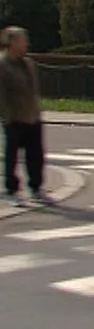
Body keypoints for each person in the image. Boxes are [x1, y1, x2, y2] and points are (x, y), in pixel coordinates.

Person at [0, 26, 51, 207]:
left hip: (32, 115)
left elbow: (33, 89)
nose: (26, 43)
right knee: (12, 156)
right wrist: (6, 115)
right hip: (14, 116)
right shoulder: (3, 64)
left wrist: (37, 111)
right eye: (23, 40)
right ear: (12, 42)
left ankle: (35, 187)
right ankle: (11, 189)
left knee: (36, 154)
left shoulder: (29, 63)